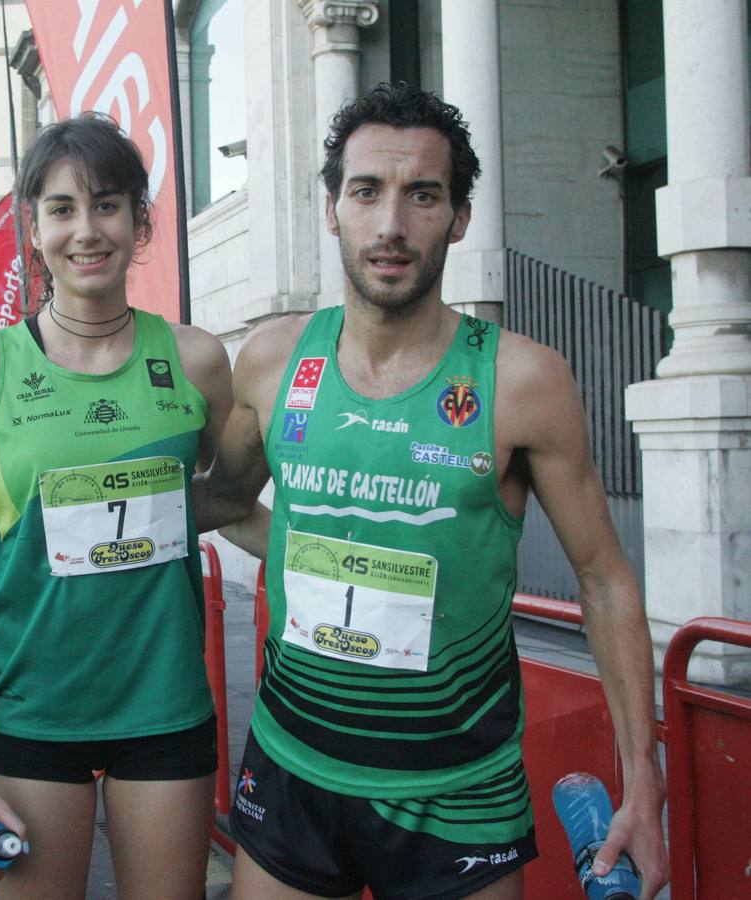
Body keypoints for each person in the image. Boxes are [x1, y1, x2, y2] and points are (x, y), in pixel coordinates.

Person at [193, 84, 670, 900]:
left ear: (458, 216)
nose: (389, 226)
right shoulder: (272, 361)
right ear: (330, 207)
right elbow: (227, 502)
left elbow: (602, 579)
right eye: (366, 191)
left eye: (422, 195)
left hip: (459, 794)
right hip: (289, 768)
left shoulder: (521, 380)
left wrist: (645, 784)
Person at [0, 113, 234, 896]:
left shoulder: (196, 360)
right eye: (61, 209)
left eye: (107, 204)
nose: (86, 230)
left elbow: (215, 496)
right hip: (30, 715)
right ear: (33, 228)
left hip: (164, 709)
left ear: (140, 220)